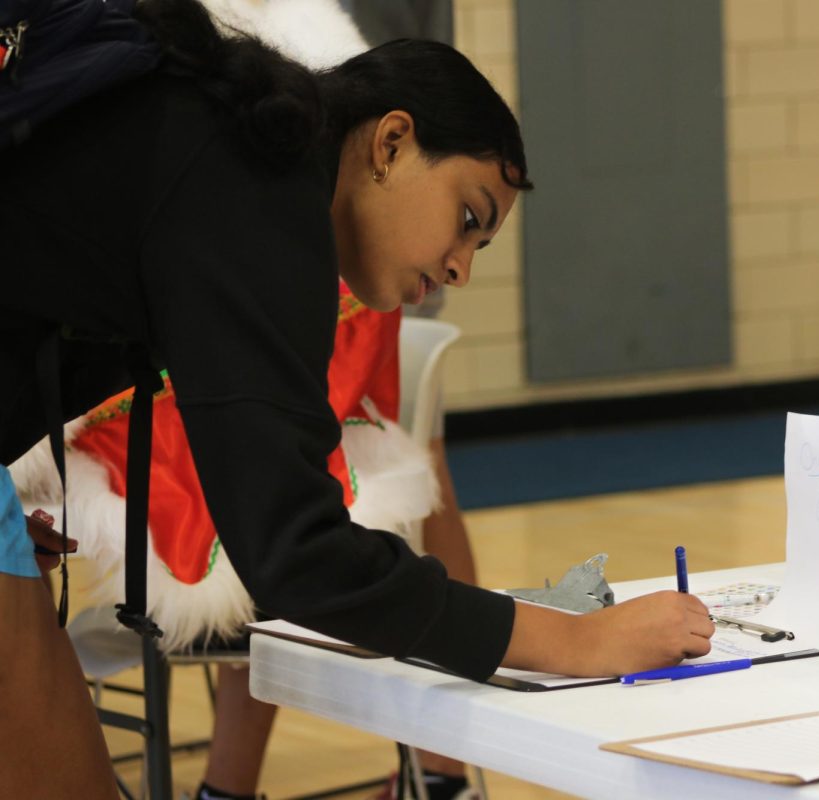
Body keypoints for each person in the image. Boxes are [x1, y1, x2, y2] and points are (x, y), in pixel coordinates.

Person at [0, 1, 715, 795]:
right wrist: (577, 642)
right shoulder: (258, 193)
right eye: (467, 218)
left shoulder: (226, 147)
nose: (459, 271)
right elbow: (299, 555)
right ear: (392, 141)